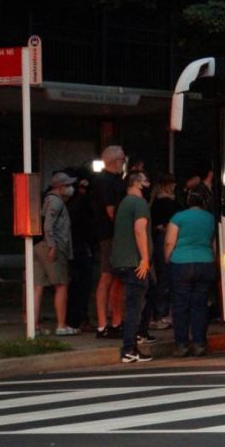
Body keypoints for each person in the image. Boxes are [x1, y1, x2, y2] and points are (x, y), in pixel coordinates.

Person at [165, 185, 217, 357]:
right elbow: (213, 243)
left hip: (181, 262)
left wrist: (168, 258)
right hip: (205, 261)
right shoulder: (210, 218)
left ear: (188, 200)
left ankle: (181, 345)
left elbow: (169, 242)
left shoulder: (178, 217)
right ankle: (199, 344)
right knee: (200, 305)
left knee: (180, 306)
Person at [110, 172, 154, 363]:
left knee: (134, 303)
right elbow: (139, 229)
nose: (148, 183)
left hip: (121, 261)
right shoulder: (139, 204)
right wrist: (144, 259)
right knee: (134, 306)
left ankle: (132, 345)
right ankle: (129, 348)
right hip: (134, 262)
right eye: (145, 181)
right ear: (137, 184)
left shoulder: (124, 204)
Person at [35, 171, 79, 336]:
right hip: (53, 246)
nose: (70, 188)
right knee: (61, 285)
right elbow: (49, 225)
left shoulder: (46, 200)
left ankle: (35, 326)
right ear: (60, 187)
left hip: (38, 245)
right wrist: (53, 245)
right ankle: (61, 325)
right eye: (68, 185)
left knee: (37, 286)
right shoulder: (56, 202)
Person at [93, 145, 126, 339]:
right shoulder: (105, 181)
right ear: (116, 160)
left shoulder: (113, 180)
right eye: (122, 158)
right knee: (107, 276)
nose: (123, 161)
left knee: (116, 277)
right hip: (110, 234)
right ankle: (103, 323)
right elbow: (111, 211)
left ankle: (115, 321)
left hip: (112, 234)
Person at [147, 173, 179, 330]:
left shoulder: (155, 202)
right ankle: (161, 314)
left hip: (160, 238)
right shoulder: (166, 202)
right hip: (165, 238)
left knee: (162, 277)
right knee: (165, 278)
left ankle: (159, 313)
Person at [66, 172, 97, 332]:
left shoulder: (69, 203)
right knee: (82, 284)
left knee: (76, 285)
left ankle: (75, 319)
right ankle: (78, 319)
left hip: (74, 246)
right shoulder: (82, 203)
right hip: (81, 246)